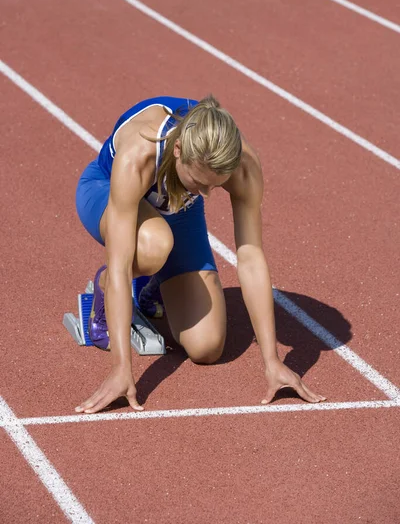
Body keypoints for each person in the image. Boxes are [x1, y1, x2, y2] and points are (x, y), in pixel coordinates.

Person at [74, 95, 325, 414]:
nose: (206, 193)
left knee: (207, 347)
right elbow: (123, 265)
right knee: (153, 246)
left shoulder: (242, 164)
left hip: (178, 207)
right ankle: (104, 286)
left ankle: (155, 286)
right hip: (106, 192)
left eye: (214, 187)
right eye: (200, 182)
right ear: (178, 151)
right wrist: (121, 370)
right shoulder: (139, 154)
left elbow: (250, 258)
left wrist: (272, 361)